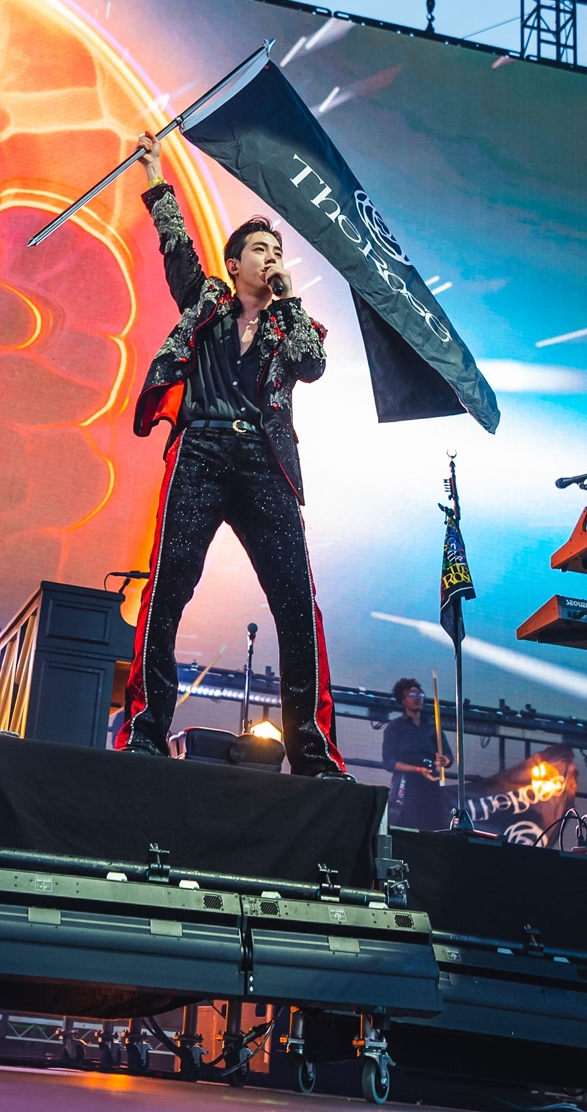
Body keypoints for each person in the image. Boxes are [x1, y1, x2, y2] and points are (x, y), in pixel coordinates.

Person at [115, 132, 348, 778]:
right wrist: (155, 174)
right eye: (261, 250)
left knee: (296, 602)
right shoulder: (207, 301)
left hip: (265, 461)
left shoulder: (290, 322)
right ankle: (147, 728)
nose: (272, 257)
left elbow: (312, 365)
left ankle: (309, 749)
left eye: (277, 251)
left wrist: (291, 296)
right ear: (236, 261)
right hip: (203, 449)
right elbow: (176, 247)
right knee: (169, 586)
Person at [382, 677, 453, 829]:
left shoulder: (433, 727)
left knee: (433, 824)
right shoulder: (395, 727)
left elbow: (448, 756)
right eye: (412, 695)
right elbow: (389, 762)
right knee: (406, 824)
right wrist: (417, 770)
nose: (418, 698)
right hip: (406, 784)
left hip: (430, 783)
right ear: (403, 700)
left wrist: (444, 761)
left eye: (420, 695)